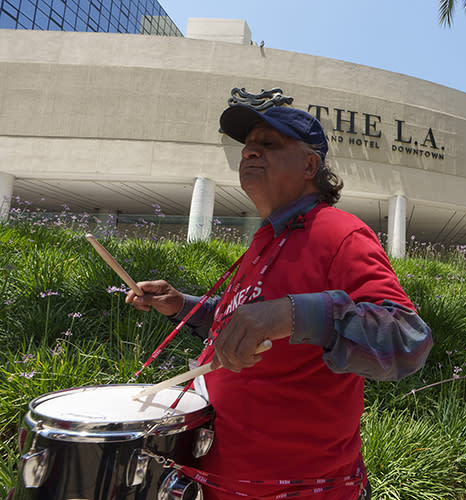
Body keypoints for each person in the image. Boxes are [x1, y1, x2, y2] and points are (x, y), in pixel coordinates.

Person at [126, 104, 433, 500]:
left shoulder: (340, 232)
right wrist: (181, 304)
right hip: (222, 481)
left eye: (268, 143)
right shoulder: (265, 240)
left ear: (309, 166)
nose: (249, 152)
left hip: (306, 489)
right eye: (248, 145)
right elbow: (239, 321)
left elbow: (407, 341)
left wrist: (291, 313)